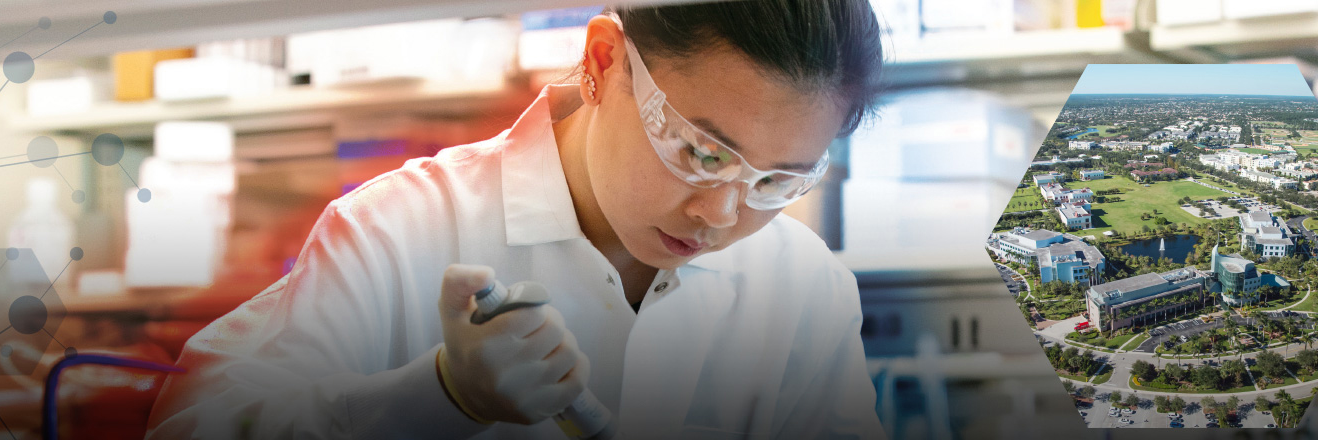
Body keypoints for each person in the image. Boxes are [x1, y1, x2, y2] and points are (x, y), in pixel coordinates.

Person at [146, 1, 885, 438]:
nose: (720, 212)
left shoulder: (803, 289)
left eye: (777, 180)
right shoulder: (397, 231)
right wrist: (438, 396)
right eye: (699, 150)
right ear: (603, 63)